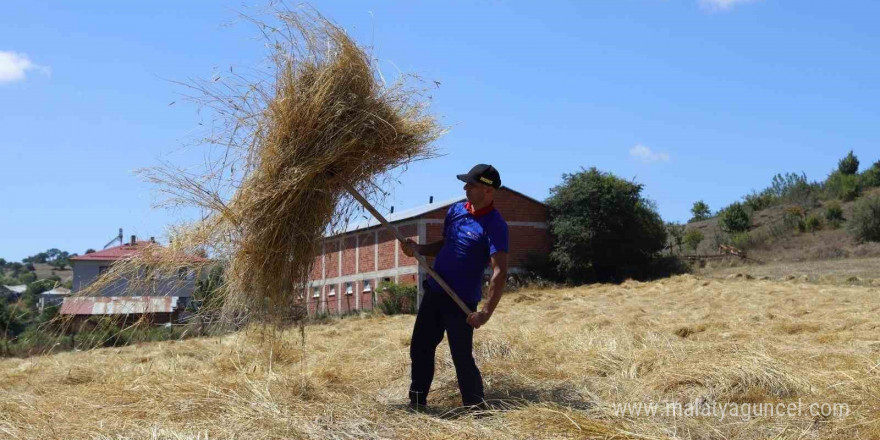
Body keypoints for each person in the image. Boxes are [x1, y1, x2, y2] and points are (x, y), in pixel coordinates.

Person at [401, 163, 509, 411]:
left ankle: (475, 408)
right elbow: (446, 244)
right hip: (435, 292)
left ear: (488, 190)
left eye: (472, 184)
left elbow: (500, 271)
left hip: (461, 303)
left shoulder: (495, 225)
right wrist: (419, 250)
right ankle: (417, 403)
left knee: (461, 357)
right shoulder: (456, 211)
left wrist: (485, 313)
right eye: (467, 183)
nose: (465, 188)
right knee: (420, 348)